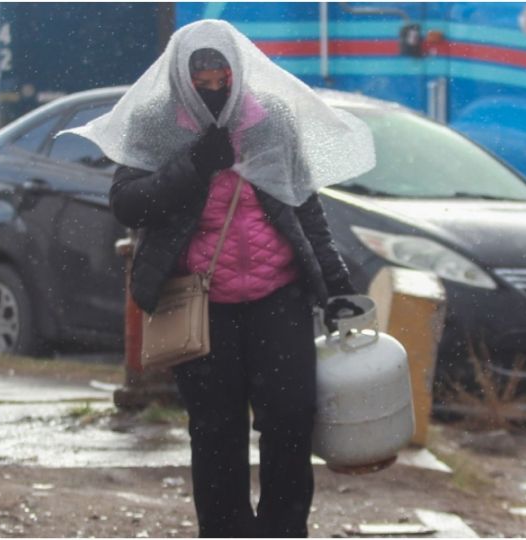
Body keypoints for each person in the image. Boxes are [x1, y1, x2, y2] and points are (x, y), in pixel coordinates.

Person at [64, 20, 375, 538]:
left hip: (279, 296)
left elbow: (304, 203)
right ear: (182, 76)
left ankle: (282, 529)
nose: (213, 87)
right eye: (201, 78)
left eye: (222, 76)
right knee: (216, 432)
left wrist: (336, 283)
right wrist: (192, 164)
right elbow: (127, 203)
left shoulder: (270, 119)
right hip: (199, 306)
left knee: (290, 421)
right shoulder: (156, 123)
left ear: (239, 70)